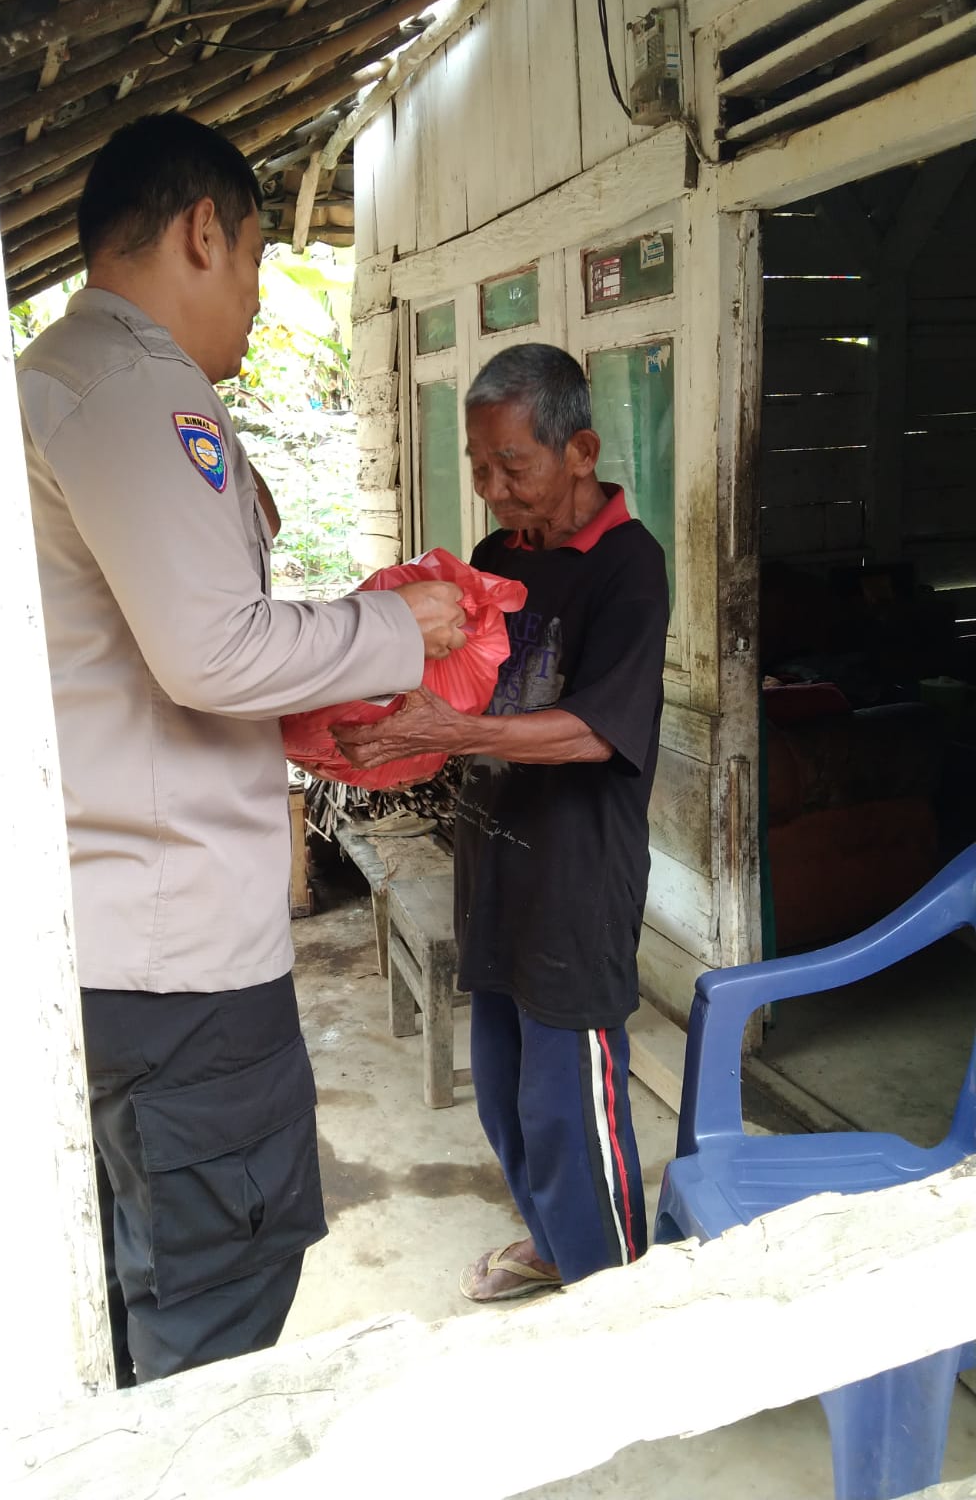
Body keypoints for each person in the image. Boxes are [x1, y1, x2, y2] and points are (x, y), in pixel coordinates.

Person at [16, 112, 466, 1384]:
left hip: (115, 943)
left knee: (148, 1274)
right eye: (261, 260)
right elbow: (212, 650)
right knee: (220, 1288)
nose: (263, 300)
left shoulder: (58, 381)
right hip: (182, 968)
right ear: (202, 231)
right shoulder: (134, 386)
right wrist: (398, 626)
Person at [334, 343, 668, 1302]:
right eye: (476, 464)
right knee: (509, 1080)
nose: (486, 487)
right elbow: (461, 689)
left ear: (580, 450)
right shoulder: (493, 563)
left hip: (577, 874)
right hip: (495, 856)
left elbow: (597, 735)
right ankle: (555, 1242)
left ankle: (616, 1294)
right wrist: (393, 729)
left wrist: (460, 726)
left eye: (509, 465)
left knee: (572, 1094)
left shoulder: (628, 570)